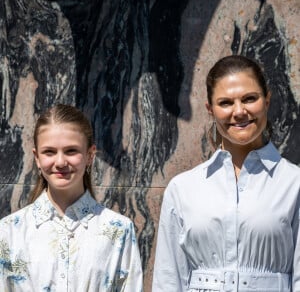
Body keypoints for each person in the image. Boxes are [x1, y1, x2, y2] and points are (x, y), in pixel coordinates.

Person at [152, 55, 300, 291]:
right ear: (210, 109)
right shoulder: (183, 189)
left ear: (267, 100)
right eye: (226, 103)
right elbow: (168, 280)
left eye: (249, 99)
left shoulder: (294, 184)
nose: (239, 111)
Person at [0, 104, 143, 291]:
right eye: (49, 152)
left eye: (71, 151)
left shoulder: (119, 231)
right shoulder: (9, 231)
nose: (60, 162)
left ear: (90, 155)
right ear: (36, 158)